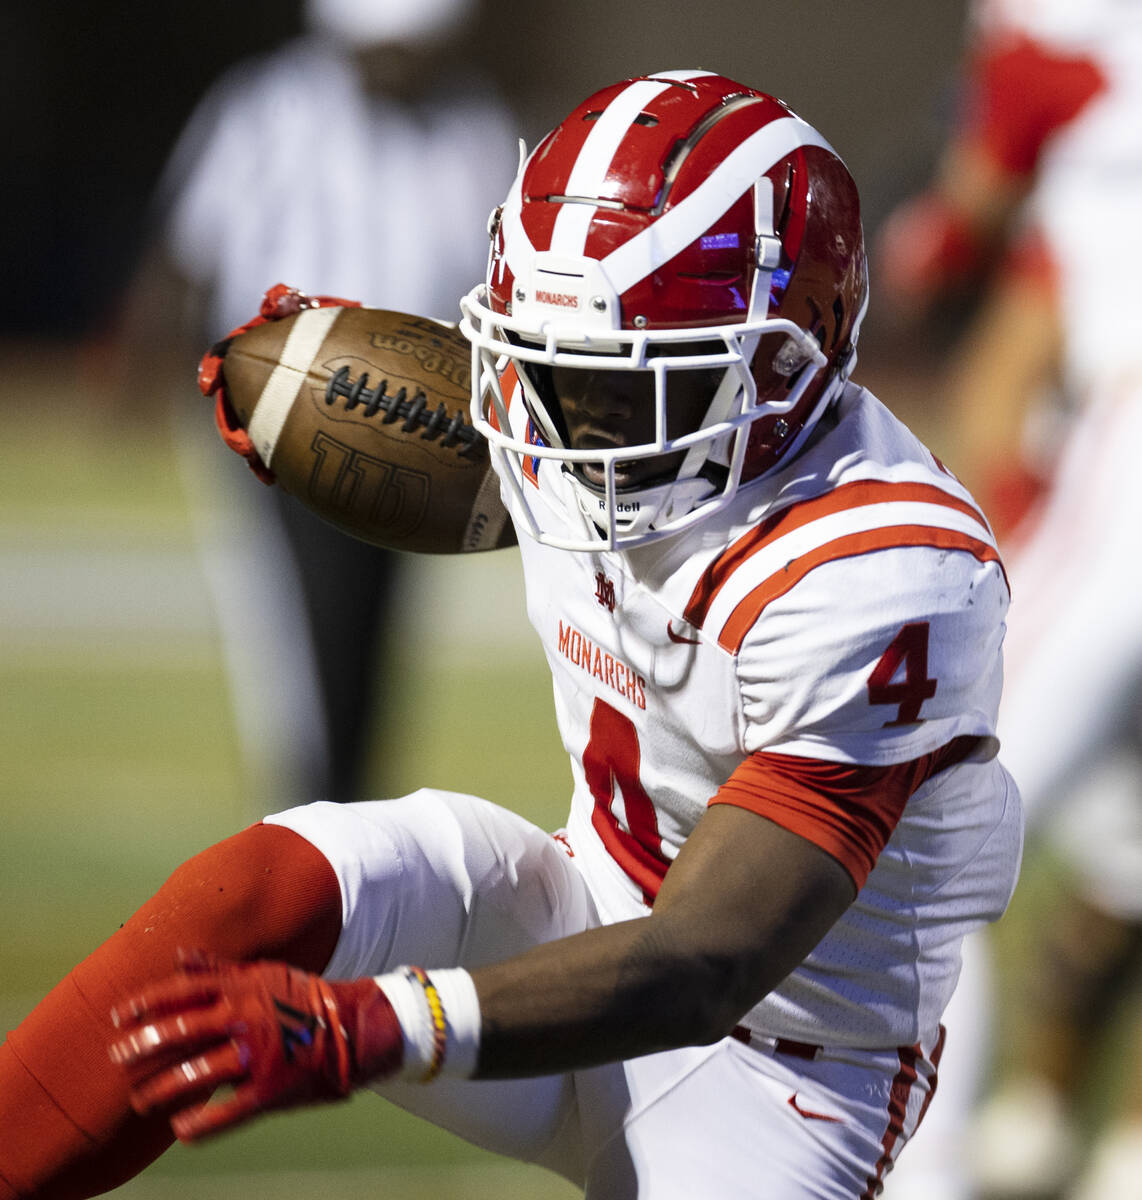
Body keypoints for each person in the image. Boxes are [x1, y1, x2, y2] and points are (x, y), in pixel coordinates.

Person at [0, 69, 1022, 1199]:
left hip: (774, 1076)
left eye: (613, 392)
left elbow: (703, 961)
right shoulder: (623, 413)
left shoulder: (885, 572)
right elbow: (501, 468)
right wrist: (313, 405)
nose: (565, 431)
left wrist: (366, 1026)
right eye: (539, 368)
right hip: (577, 902)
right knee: (272, 890)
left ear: (789, 358)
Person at [114, 0, 518, 809]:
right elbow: (188, 249)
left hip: (425, 426)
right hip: (277, 423)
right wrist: (139, 368)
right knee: (297, 644)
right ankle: (312, 814)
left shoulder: (475, 128)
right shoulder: (268, 111)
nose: (399, 65)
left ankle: (349, 809)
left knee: (372, 636)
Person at [876, 2, 1142, 1196]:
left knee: (919, 830)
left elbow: (956, 251)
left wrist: (930, 237)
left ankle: (921, 1179)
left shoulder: (1064, 61)